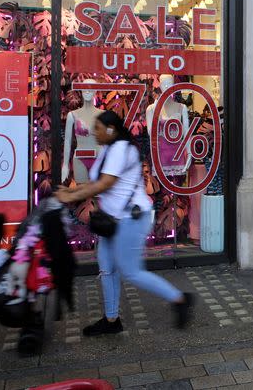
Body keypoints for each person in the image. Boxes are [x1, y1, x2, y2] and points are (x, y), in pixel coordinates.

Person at [56, 110, 193, 336]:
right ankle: (111, 320)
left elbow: (105, 184)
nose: (94, 131)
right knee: (107, 268)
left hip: (130, 218)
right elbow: (94, 182)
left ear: (111, 129)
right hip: (113, 220)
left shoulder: (121, 150)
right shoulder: (108, 149)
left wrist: (70, 197)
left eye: (98, 128)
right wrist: (72, 190)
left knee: (130, 271)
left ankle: (180, 299)